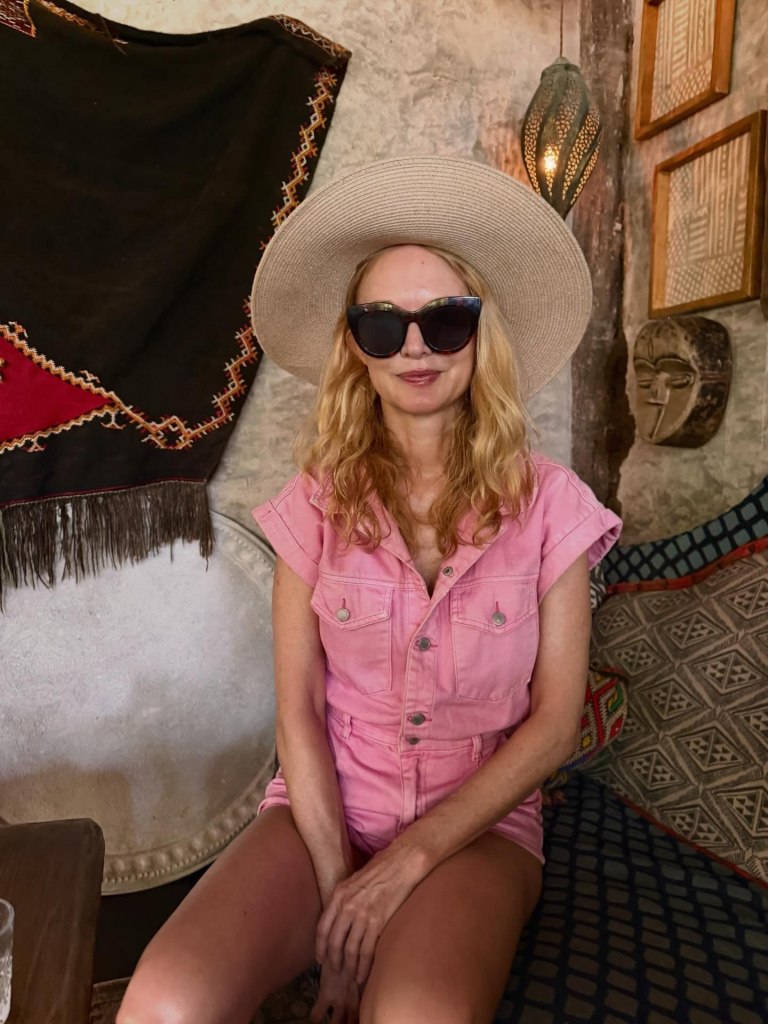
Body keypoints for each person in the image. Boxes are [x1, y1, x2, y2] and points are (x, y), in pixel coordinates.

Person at [117, 156, 622, 1024]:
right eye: (383, 325)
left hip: (479, 829)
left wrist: (407, 863)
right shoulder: (311, 506)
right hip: (325, 812)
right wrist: (336, 901)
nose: (416, 346)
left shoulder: (554, 507)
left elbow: (553, 722)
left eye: (445, 319)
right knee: (163, 1002)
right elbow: (300, 714)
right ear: (355, 344)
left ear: (480, 332)